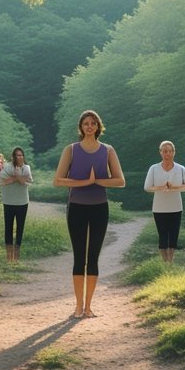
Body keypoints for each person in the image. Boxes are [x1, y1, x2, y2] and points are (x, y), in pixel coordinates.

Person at [53, 110, 125, 318]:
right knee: (79, 258)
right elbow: (58, 180)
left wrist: (97, 181)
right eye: (86, 123)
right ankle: (77, 306)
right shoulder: (71, 150)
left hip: (99, 208)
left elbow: (120, 180)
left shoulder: (108, 150)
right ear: (81, 127)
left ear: (98, 126)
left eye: (93, 123)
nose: (90, 126)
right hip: (76, 206)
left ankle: (88, 307)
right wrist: (84, 182)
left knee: (93, 258)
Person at [144, 140, 185, 264]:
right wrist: (161, 187)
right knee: (163, 235)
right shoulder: (153, 168)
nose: (168, 154)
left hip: (176, 207)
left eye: (170, 151)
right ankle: (164, 261)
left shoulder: (181, 168)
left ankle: (170, 261)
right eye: (165, 151)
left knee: (174, 234)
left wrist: (174, 187)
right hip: (159, 208)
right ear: (160, 152)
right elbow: (147, 187)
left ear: (174, 152)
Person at [0, 147, 33, 262]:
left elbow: (27, 182)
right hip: (8, 202)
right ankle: (9, 256)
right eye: (18, 155)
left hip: (22, 202)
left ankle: (17, 256)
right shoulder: (6, 167)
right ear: (13, 157)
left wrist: (16, 177)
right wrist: (17, 178)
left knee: (20, 228)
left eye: (22, 155)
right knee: (8, 228)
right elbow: (3, 182)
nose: (20, 157)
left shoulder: (27, 168)